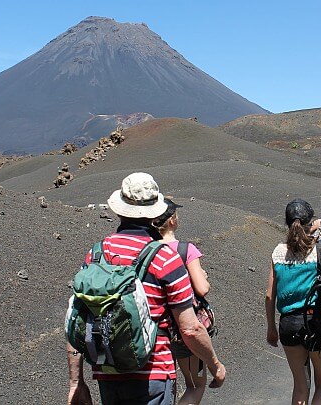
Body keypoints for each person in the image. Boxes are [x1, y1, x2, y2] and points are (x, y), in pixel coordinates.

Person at [67, 173, 226, 405]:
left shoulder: (97, 254)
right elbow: (190, 328)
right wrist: (215, 365)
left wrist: (76, 382)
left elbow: (77, 318)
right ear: (154, 213)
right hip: (152, 373)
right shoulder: (165, 257)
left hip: (107, 372)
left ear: (119, 209)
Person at [266, 199, 321, 405]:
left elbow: (270, 295)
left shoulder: (278, 253)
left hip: (288, 325)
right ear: (312, 223)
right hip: (318, 324)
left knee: (300, 386)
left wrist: (271, 328)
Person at [152, 198, 212, 405]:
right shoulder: (186, 250)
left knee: (170, 384)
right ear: (172, 221)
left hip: (156, 327)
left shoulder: (148, 250)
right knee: (195, 385)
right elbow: (201, 288)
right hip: (182, 326)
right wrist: (203, 275)